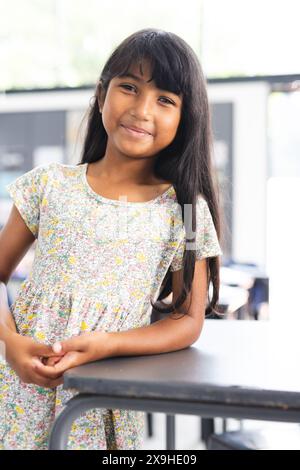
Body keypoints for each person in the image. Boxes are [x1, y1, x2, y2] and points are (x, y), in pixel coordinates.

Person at [0, 28, 223, 450]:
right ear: (102, 95)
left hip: (103, 395)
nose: (142, 109)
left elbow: (187, 320)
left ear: (184, 118)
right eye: (129, 87)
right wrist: (10, 342)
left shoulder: (188, 210)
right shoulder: (48, 185)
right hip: (16, 384)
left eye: (165, 100)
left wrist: (106, 345)